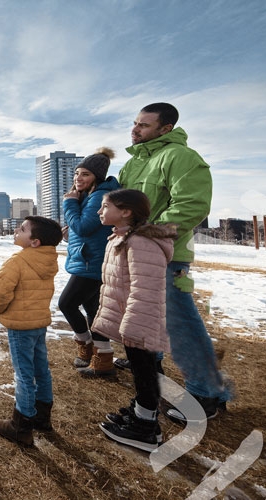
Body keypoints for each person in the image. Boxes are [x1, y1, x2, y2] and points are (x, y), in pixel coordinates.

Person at [115, 102, 232, 422]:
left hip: (166, 256)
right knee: (150, 321)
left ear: (165, 129)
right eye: (135, 123)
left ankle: (207, 393)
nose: (135, 129)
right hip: (135, 254)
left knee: (179, 323)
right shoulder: (132, 165)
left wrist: (149, 233)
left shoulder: (181, 157)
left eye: (144, 126)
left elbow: (192, 204)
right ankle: (153, 374)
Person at [90, 189, 177, 451]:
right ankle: (141, 410)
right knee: (142, 369)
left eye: (105, 206)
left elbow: (145, 289)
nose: (99, 211)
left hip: (139, 319)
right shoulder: (123, 238)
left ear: (126, 211)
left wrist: (134, 324)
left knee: (145, 370)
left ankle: (146, 427)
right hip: (133, 317)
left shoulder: (140, 243)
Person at [0, 216, 62, 446]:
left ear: (35, 242)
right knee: (41, 370)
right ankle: (43, 417)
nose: (15, 230)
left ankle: (21, 425)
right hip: (39, 323)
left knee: (23, 374)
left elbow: (1, 293)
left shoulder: (17, 262)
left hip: (21, 326)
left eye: (22, 229)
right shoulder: (48, 261)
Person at [58, 147, 120, 376]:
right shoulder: (93, 195)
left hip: (92, 263)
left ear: (97, 176)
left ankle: (85, 345)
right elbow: (87, 229)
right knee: (93, 309)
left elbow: (84, 227)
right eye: (76, 174)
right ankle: (102, 358)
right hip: (90, 258)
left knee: (66, 304)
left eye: (85, 174)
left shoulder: (98, 196)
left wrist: (70, 204)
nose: (78, 178)